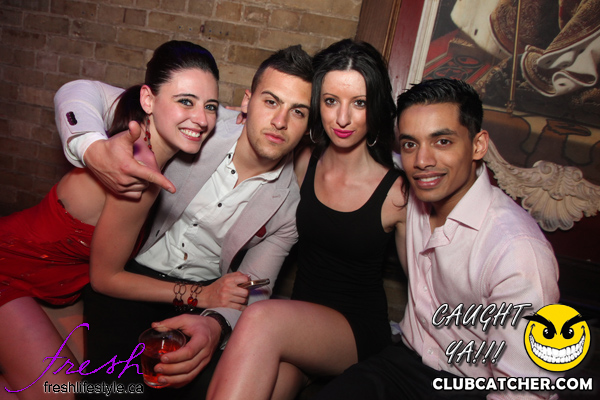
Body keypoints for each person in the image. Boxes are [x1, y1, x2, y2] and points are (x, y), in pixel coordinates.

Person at [53, 45, 313, 399]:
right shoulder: (197, 122)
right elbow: (81, 91)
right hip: (130, 279)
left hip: (203, 298)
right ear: (247, 102)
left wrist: (215, 325)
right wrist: (91, 148)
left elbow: (255, 288)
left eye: (297, 111)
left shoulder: (288, 207)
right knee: (111, 389)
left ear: (308, 125)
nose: (280, 121)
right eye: (271, 102)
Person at [310, 78, 561, 400]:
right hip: (402, 364)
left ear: (478, 145)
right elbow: (359, 150)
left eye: (442, 141)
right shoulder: (411, 196)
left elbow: (524, 390)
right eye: (410, 144)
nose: (422, 161)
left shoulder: (515, 250)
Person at [0, 40, 221, 400]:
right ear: (148, 100)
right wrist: (200, 295)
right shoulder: (138, 169)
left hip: (57, 284)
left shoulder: (149, 149)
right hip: (9, 267)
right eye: (186, 101)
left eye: (210, 106)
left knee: (91, 387)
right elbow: (106, 279)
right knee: (62, 393)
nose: (201, 118)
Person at [207, 39, 409, 400]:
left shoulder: (397, 192)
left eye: (359, 103)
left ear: (375, 106)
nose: (342, 119)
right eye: (331, 101)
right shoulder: (303, 160)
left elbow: (425, 286)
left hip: (355, 331)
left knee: (259, 319)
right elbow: (232, 120)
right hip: (300, 328)